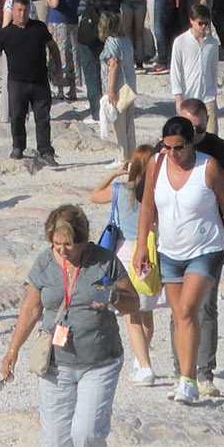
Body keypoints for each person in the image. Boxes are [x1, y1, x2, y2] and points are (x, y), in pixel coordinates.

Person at [0, 203, 139, 447]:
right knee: (56, 440)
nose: (62, 251)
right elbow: (31, 309)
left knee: (86, 434)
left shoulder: (105, 261)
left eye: (68, 245)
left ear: (83, 241)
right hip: (55, 363)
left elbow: (134, 303)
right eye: (56, 244)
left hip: (100, 362)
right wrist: (12, 351)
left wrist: (114, 296)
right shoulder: (45, 262)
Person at [132, 115, 224, 406]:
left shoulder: (209, 167)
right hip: (169, 252)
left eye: (178, 148)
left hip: (206, 248)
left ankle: (190, 380)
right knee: (178, 314)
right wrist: (141, 246)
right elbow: (147, 206)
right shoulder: (156, 163)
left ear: (191, 142)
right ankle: (184, 375)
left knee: (187, 310)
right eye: (167, 147)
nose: (172, 154)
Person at [90, 146, 161, 386]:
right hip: (150, 252)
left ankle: (144, 366)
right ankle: (142, 358)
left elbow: (94, 195)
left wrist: (115, 174)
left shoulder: (120, 190)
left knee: (132, 315)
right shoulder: (157, 191)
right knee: (147, 314)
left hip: (124, 254)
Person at [0, 0, 60, 163]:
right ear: (12, 11)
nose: (22, 14)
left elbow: (53, 47)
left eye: (25, 11)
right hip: (17, 82)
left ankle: (45, 150)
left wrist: (58, 69)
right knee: (17, 116)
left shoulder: (39, 27)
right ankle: (18, 147)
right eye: (19, 10)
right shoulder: (5, 33)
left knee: (43, 118)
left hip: (40, 81)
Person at [73, 0, 117, 121]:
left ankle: (96, 111)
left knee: (91, 74)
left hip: (88, 36)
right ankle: (109, 107)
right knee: (107, 72)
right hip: (106, 36)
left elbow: (79, 10)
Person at [169, 5, 221, 135]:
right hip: (188, 98)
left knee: (212, 136)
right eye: (200, 23)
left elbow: (214, 69)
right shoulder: (180, 42)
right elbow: (175, 71)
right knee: (188, 137)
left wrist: (214, 93)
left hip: (208, 97)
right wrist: (178, 97)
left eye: (206, 23)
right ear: (191, 21)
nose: (204, 26)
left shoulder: (213, 43)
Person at [98, 10, 138, 163]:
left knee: (119, 127)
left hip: (119, 88)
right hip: (130, 87)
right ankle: (131, 158)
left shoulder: (111, 42)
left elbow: (114, 65)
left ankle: (122, 159)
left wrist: (111, 90)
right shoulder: (126, 40)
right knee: (129, 126)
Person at [46, 0, 82, 103]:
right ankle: (72, 89)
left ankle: (60, 89)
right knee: (72, 53)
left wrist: (46, 1)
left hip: (57, 19)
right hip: (73, 19)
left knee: (58, 53)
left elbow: (54, 3)